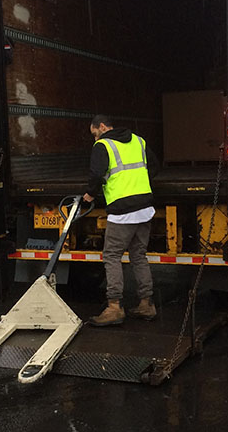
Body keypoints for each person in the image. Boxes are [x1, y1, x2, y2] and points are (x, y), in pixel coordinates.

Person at [83, 114, 160, 326]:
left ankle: (114, 307)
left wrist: (90, 194)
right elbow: (154, 166)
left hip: (122, 211)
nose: (94, 138)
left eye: (94, 133)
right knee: (138, 255)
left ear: (101, 127)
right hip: (145, 208)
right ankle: (146, 303)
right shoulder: (138, 140)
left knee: (111, 256)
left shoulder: (103, 146)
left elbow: (96, 174)